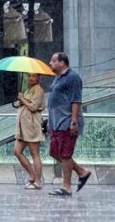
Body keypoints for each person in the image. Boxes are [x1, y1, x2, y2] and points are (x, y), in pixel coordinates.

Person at [47, 52, 91, 196]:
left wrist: (73, 121)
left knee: (65, 154)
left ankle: (66, 187)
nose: (50, 63)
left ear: (62, 63)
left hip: (67, 121)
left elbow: (76, 100)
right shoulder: (57, 78)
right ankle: (81, 172)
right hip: (55, 123)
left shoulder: (73, 77)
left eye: (53, 61)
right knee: (54, 151)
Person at [13, 73, 46, 190]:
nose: (31, 78)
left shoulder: (39, 90)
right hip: (23, 127)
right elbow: (26, 103)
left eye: (34, 76)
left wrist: (22, 99)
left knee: (34, 153)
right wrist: (22, 99)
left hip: (32, 126)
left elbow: (33, 107)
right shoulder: (28, 89)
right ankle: (32, 174)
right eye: (29, 76)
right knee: (17, 151)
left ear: (38, 78)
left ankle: (37, 181)